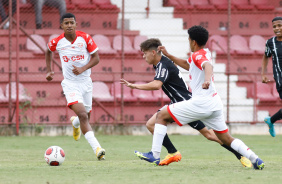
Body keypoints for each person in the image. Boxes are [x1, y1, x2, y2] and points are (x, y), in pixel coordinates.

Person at [134, 26, 265, 170]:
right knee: (226, 138)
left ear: (193, 41)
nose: (188, 41)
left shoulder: (198, 56)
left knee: (161, 116)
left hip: (200, 103)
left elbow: (207, 66)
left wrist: (207, 79)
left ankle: (155, 154)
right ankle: (255, 159)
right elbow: (188, 65)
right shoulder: (203, 53)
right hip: (214, 103)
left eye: (188, 39)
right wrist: (169, 55)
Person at [45, 13, 105, 160]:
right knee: (84, 115)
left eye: (72, 23)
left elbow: (96, 58)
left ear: (76, 24)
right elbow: (48, 51)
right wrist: (49, 70)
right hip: (70, 84)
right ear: (61, 26)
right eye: (66, 23)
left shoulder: (85, 38)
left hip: (86, 82)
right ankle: (97, 149)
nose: (69, 25)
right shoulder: (57, 42)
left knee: (86, 116)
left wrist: (83, 68)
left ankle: (75, 123)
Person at [261, 16, 282, 137]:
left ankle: (271, 120)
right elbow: (265, 57)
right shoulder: (271, 42)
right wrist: (263, 74)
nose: (277, 28)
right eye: (274, 26)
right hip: (280, 79)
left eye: (279, 25)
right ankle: (271, 120)